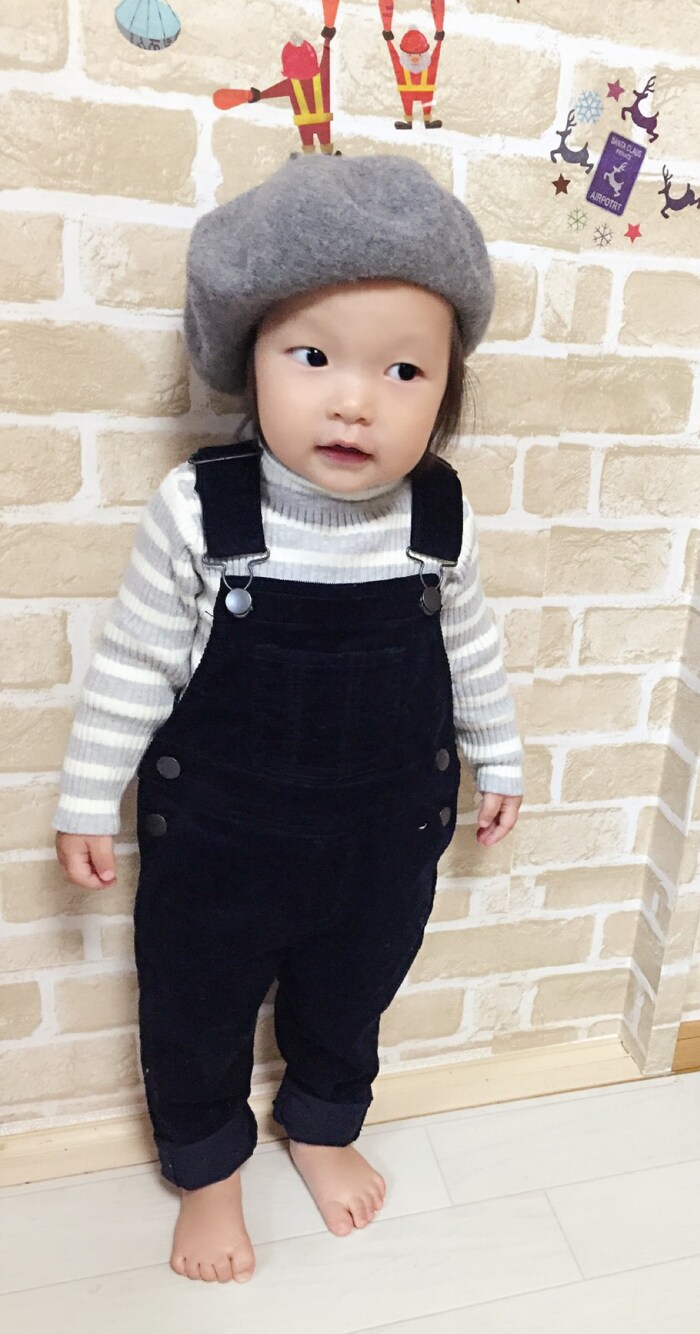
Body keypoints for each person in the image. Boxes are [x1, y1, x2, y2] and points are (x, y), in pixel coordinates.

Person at [53, 153, 524, 1284]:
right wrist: (85, 793)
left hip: (383, 834)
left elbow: (469, 647)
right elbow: (134, 663)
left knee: (353, 991)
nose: (356, 400)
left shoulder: (438, 516)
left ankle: (321, 1122)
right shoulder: (202, 511)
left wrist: (501, 755)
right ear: (248, 358)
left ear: (447, 388)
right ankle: (209, 1170)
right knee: (195, 1004)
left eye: (403, 369)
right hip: (221, 840)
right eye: (314, 358)